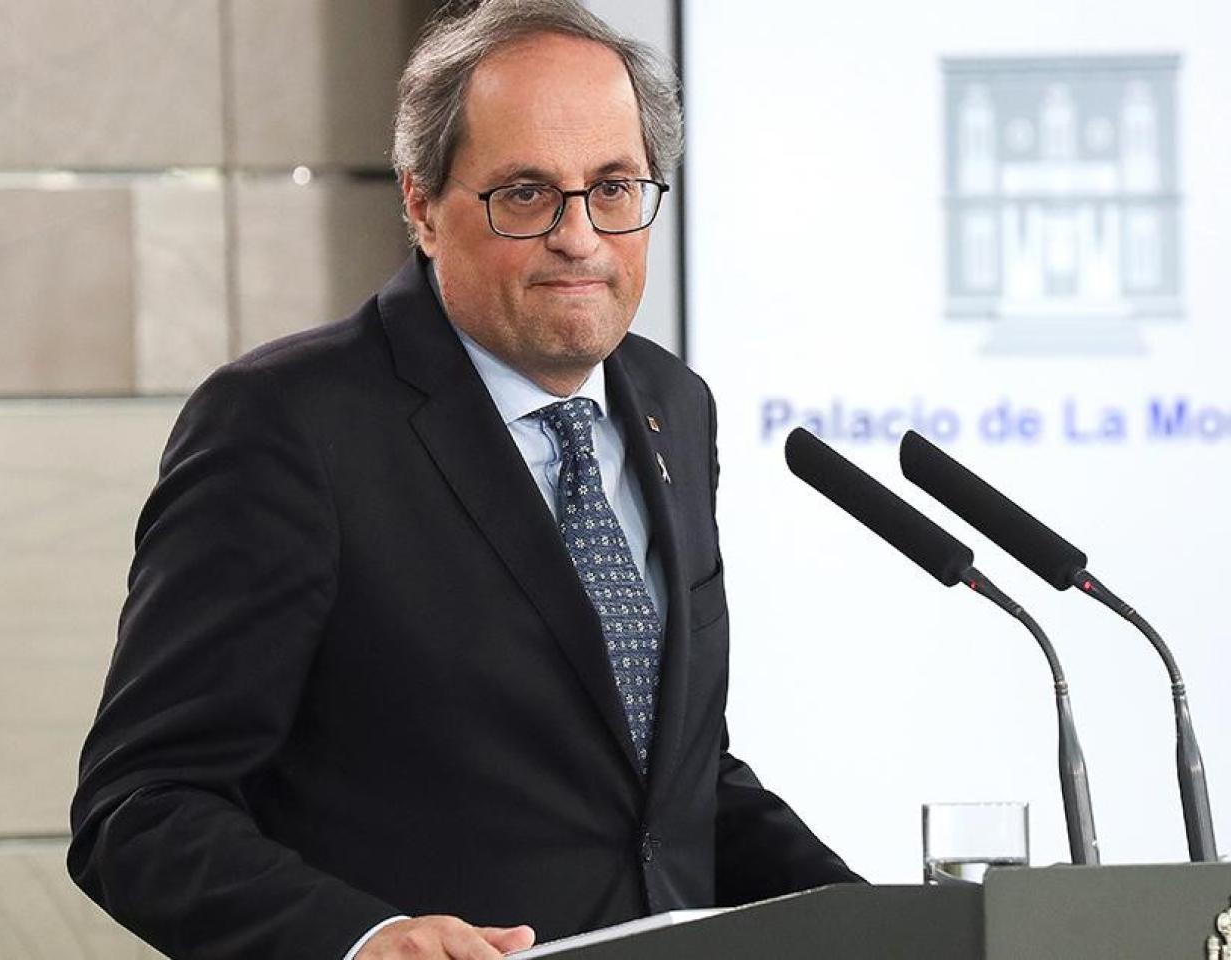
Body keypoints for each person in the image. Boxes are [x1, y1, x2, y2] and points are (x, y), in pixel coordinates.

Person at [67, 2, 859, 958]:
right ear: (420, 205)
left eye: (613, 187)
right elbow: (141, 809)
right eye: (526, 193)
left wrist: (880, 917)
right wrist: (365, 939)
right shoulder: (286, 427)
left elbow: (669, 787)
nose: (581, 236)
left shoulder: (672, 405)